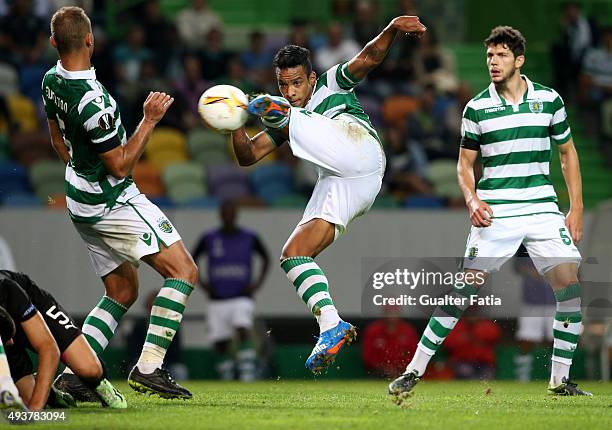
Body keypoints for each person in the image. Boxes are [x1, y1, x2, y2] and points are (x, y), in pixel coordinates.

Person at [389, 25, 590, 400]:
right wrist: (471, 199)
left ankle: (559, 381)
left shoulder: (549, 100)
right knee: (465, 289)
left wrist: (575, 207)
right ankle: (413, 370)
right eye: (489, 56)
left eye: (500, 56)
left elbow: (567, 153)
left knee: (570, 287)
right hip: (497, 211)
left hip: (542, 208)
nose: (493, 62)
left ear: (519, 60)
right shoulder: (476, 107)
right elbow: (465, 165)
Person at [230, 15, 427, 374]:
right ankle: (331, 325)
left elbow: (368, 58)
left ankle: (268, 107)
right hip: (345, 182)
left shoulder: (332, 84)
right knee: (294, 255)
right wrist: (235, 124)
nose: (291, 90)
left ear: (312, 78)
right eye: (283, 85)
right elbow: (247, 157)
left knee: (288, 117)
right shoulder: (292, 121)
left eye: (296, 83)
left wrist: (394, 27)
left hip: (359, 149)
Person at [42, 6, 198, 400]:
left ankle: (74, 375)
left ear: (53, 43)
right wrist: (149, 119)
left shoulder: (49, 82)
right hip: (112, 201)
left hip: (80, 200)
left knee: (122, 292)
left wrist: (81, 172)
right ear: (90, 40)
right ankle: (149, 367)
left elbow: (58, 141)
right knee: (183, 271)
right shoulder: (95, 103)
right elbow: (121, 163)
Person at [0, 270, 126, 409]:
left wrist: (35, 410)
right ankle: (54, 396)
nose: (11, 343)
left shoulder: (8, 290)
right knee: (29, 397)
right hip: (6, 320)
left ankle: (101, 385)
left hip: (31, 307)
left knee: (89, 369)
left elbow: (48, 348)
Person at [191, 200, 270, 381]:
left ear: (236, 214)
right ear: (220, 214)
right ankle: (226, 373)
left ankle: (247, 371)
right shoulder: (209, 237)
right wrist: (202, 284)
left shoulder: (249, 236)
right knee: (221, 341)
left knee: (242, 327)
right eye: (225, 212)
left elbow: (266, 257)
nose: (228, 216)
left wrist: (256, 284)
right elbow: (192, 259)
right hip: (217, 297)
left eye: (231, 212)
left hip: (241, 295)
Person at [513, 245, 556, 382]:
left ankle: (556, 374)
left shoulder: (558, 238)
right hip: (532, 301)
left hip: (555, 300)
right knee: (527, 337)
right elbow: (517, 266)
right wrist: (532, 271)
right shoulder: (525, 241)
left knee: (555, 338)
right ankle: (523, 373)